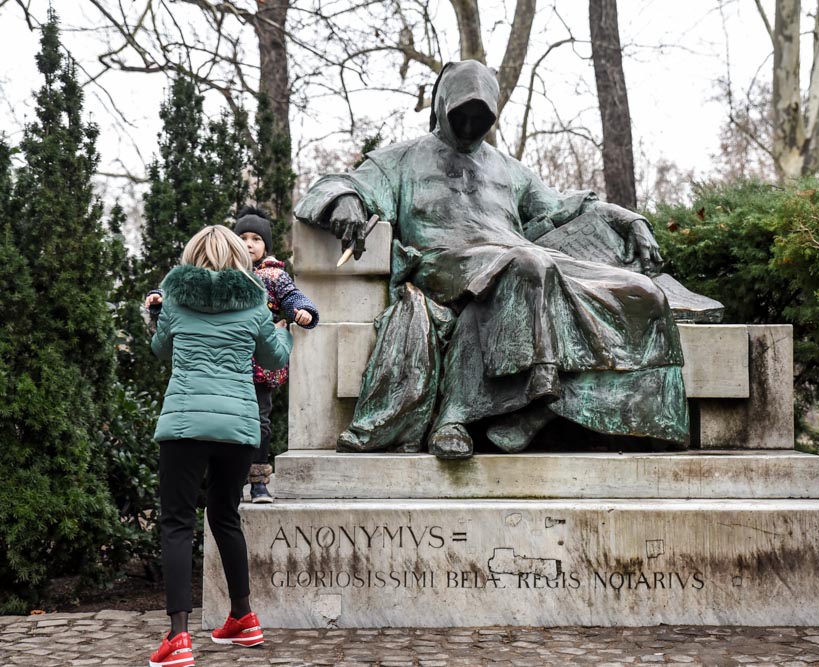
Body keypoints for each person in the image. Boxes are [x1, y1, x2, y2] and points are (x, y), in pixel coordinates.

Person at [294, 60, 687, 459]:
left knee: (645, 293)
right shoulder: (399, 160)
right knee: (528, 265)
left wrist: (630, 219)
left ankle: (544, 411)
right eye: (460, 115)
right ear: (441, 106)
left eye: (478, 118)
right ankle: (519, 394)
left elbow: (566, 205)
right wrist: (343, 201)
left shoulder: (509, 169)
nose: (468, 126)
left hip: (518, 259)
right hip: (442, 263)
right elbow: (337, 184)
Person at [145, 225, 292, 667]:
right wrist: (283, 330)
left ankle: (178, 638)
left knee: (175, 523)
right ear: (238, 257)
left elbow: (160, 349)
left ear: (192, 256)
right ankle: (243, 618)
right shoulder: (254, 306)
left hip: (185, 425)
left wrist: (156, 318)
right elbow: (275, 359)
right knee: (226, 516)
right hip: (238, 428)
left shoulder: (176, 302)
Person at [233, 206, 320, 503]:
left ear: (265, 245)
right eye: (242, 237)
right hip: (228, 363)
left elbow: (293, 296)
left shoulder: (274, 276)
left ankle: (258, 482)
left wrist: (302, 311)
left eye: (255, 238)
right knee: (230, 422)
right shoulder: (223, 274)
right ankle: (231, 479)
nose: (248, 244)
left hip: (260, 365)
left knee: (260, 421)